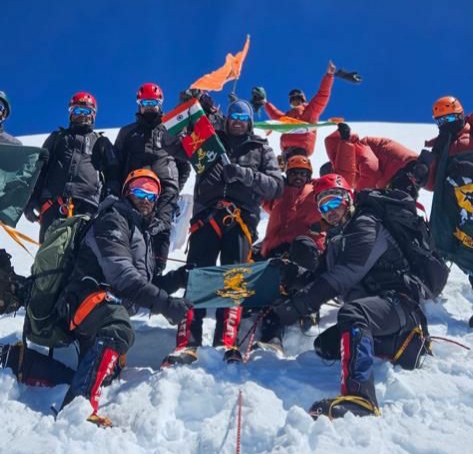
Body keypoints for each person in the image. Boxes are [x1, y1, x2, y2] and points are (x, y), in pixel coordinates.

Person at [273, 173, 429, 420]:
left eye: (334, 202)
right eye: (324, 207)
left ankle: (361, 399)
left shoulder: (366, 224)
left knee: (353, 313)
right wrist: (293, 276)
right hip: (379, 309)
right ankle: (400, 345)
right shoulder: (338, 238)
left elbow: (346, 273)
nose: (330, 211)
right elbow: (321, 276)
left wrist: (299, 305)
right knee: (326, 345)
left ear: (348, 199)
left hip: (400, 303)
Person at [54, 169, 191, 424]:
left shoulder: (141, 232)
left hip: (105, 307)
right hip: (85, 301)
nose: (146, 198)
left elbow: (143, 286)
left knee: (106, 373)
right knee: (118, 328)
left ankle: (22, 363)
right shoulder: (113, 221)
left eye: (152, 193)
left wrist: (179, 278)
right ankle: (77, 409)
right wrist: (165, 305)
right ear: (127, 192)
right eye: (140, 189)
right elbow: (122, 277)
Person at [164, 99, 284, 365]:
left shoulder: (260, 148)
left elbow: (276, 186)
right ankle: (188, 342)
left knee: (234, 279)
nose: (237, 122)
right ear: (227, 119)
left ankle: (226, 341)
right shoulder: (209, 141)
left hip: (240, 219)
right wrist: (186, 112)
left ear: (249, 122)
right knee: (196, 276)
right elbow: (170, 144)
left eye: (243, 118)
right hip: (207, 217)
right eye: (234, 117)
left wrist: (243, 174)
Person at [24, 92, 120, 243]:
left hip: (88, 206)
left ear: (93, 115)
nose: (82, 115)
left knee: (83, 254)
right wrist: (31, 199)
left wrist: (109, 201)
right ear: (70, 114)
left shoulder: (101, 142)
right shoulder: (57, 138)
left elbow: (113, 173)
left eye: (86, 111)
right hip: (53, 205)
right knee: (50, 253)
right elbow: (40, 169)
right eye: (77, 110)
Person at [115, 83, 190, 273]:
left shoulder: (171, 129)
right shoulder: (128, 133)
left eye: (153, 103)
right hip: (135, 188)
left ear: (160, 104)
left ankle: (156, 272)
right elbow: (117, 163)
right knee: (132, 229)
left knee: (162, 227)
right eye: (145, 103)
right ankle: (132, 273)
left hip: (165, 188)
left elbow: (184, 164)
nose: (149, 107)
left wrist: (174, 186)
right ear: (139, 105)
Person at [421, 96, 473, 323]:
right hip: (451, 205)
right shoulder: (441, 145)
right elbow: (433, 184)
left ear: (461, 115)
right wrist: (423, 170)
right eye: (441, 121)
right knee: (448, 247)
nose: (446, 124)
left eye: (450, 118)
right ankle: (424, 292)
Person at [250, 61, 336, 158]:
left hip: (300, 151)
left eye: (298, 100)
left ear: (303, 100)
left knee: (295, 165)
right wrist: (265, 102)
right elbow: (275, 115)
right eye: (293, 101)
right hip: (286, 152)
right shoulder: (287, 117)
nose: (295, 103)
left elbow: (322, 95)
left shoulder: (310, 111)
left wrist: (329, 76)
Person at [324, 122, 424, 197]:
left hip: (403, 168)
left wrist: (358, 198)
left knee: (398, 210)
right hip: (402, 170)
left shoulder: (353, 150)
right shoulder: (352, 162)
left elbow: (371, 169)